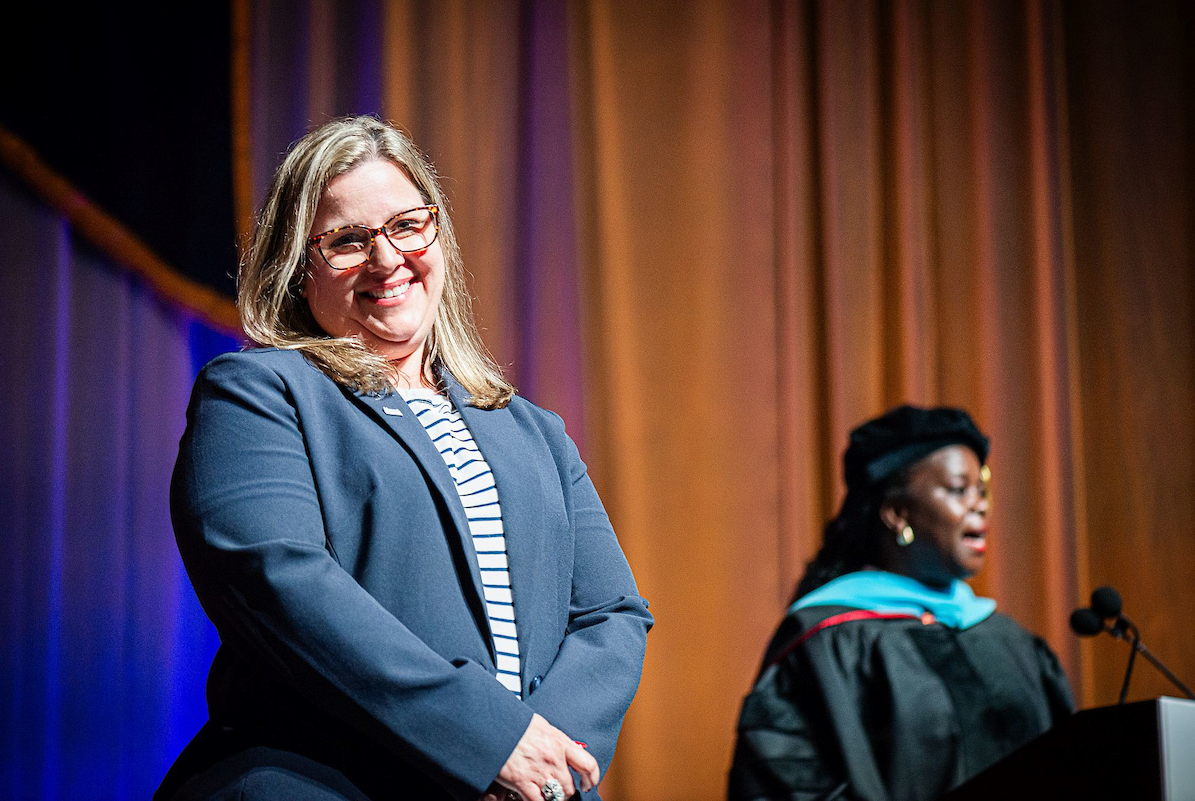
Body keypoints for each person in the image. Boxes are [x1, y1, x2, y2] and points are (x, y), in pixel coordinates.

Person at [157, 116, 652, 801]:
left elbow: (611, 613)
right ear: (300, 270)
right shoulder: (260, 393)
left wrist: (541, 762)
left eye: (406, 226)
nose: (386, 259)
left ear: (438, 237)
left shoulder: (533, 429)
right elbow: (277, 583)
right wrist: (485, 741)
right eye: (347, 240)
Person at [728, 405, 1073, 801]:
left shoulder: (1011, 642)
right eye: (959, 490)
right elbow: (785, 784)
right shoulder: (825, 642)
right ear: (897, 514)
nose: (980, 505)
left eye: (982, 490)